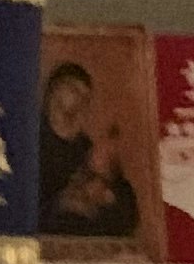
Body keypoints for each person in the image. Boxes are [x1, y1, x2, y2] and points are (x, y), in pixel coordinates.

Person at [40, 62, 137, 238]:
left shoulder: (85, 149)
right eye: (74, 90)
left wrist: (107, 195)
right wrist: (59, 204)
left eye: (86, 97)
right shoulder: (30, 141)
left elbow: (126, 212)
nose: (81, 100)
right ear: (53, 90)